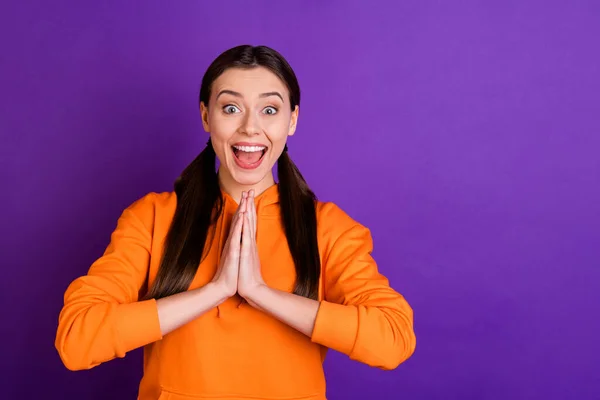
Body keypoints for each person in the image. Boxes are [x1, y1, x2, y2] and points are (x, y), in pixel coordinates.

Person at [55, 44, 416, 400]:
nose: (249, 129)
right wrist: (213, 291)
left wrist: (261, 294)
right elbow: (77, 339)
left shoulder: (329, 229)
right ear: (205, 116)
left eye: (269, 110)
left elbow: (392, 339)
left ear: (292, 120)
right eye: (231, 108)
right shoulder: (152, 218)